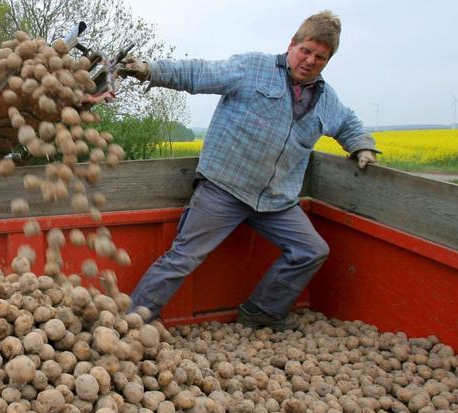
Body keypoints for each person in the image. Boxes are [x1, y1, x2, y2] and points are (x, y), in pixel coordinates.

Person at [118, 11, 379, 331]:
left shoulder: (326, 99)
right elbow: (199, 73)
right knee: (183, 257)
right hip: (225, 187)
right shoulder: (253, 68)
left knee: (311, 251)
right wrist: (150, 71)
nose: (310, 61)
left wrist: (361, 145)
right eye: (306, 51)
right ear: (292, 44)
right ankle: (133, 319)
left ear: (328, 60)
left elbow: (347, 122)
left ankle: (261, 312)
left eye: (320, 57)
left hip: (275, 200)